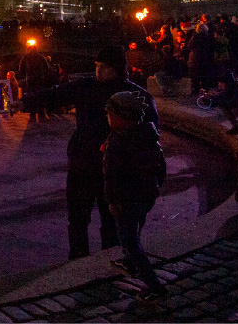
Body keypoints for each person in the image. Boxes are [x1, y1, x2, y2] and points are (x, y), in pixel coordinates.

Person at [32, 46, 157, 259]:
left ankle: (109, 259)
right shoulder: (87, 86)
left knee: (111, 221)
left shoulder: (135, 96)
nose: (98, 72)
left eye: (104, 67)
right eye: (97, 67)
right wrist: (27, 100)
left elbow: (150, 133)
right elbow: (56, 94)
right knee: (78, 219)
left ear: (117, 68)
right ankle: (79, 259)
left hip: (114, 169)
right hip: (82, 165)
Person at [102, 91, 168, 301]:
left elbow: (112, 176)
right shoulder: (149, 137)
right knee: (136, 229)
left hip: (126, 200)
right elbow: (161, 168)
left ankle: (154, 286)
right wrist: (154, 188)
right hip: (146, 196)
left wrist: (112, 201)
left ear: (120, 117)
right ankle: (131, 261)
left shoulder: (118, 143)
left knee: (129, 241)